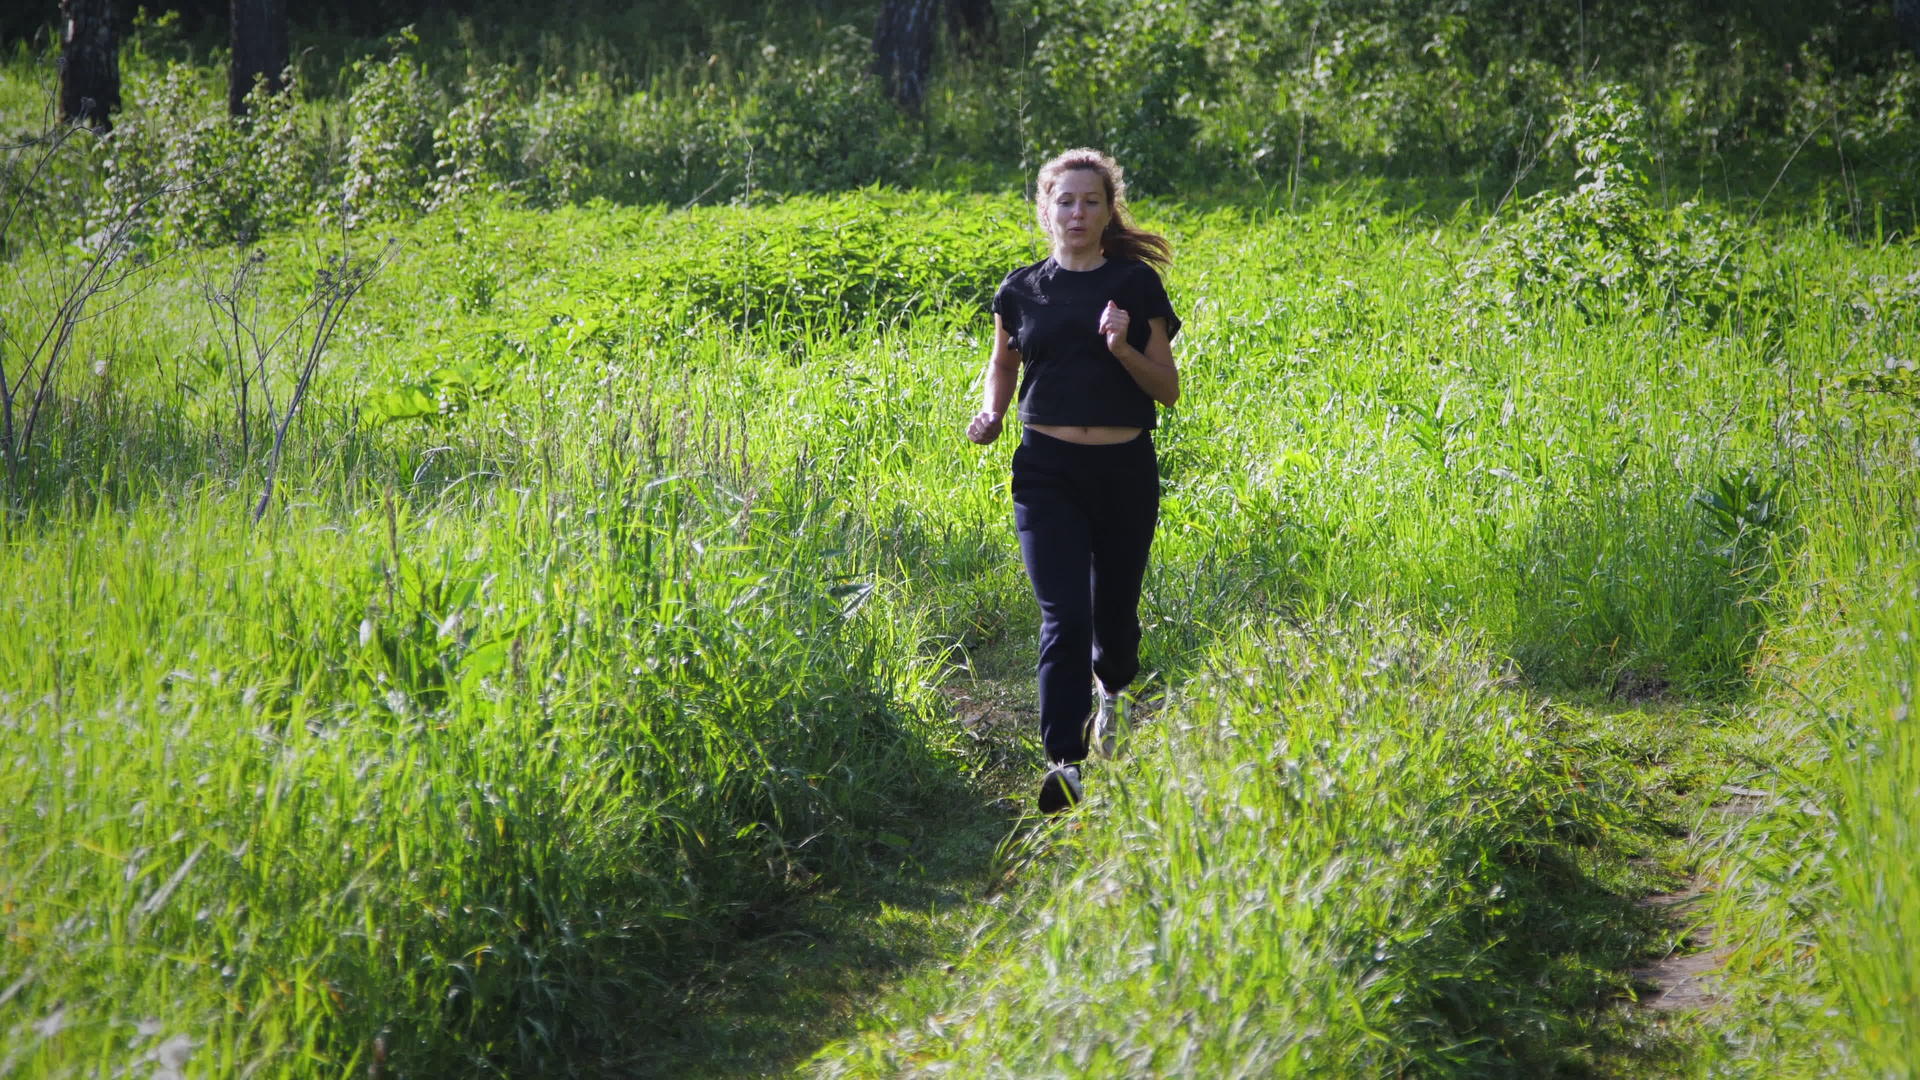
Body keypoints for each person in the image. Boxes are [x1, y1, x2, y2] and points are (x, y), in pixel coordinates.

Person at [965, 148, 1181, 813]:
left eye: (1091, 201)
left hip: (1123, 469)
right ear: (1046, 208)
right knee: (1064, 613)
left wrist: (1120, 347)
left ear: (1108, 209)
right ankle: (1064, 761)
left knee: (1113, 622)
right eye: (1066, 201)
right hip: (1045, 470)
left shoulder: (1134, 286)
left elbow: (1167, 391)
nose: (1078, 213)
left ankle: (1112, 689)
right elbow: (1003, 361)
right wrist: (993, 412)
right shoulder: (1019, 289)